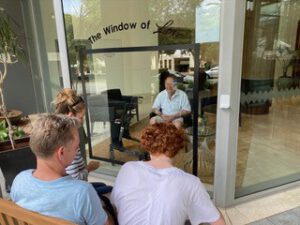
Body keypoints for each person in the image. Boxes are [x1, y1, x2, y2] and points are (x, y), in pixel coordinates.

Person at [111, 123, 225, 225]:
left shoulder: (127, 168)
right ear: (177, 149)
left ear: (147, 146)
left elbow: (116, 207)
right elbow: (219, 222)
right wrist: (208, 203)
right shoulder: (190, 182)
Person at [11, 114, 110, 225]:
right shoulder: (82, 192)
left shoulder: (20, 181)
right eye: (76, 147)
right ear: (61, 153)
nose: (77, 150)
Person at [53, 88, 112, 195]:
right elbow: (75, 179)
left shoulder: (61, 134)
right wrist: (89, 168)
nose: (83, 120)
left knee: (103, 186)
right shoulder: (68, 142)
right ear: (70, 116)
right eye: (81, 117)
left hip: (75, 187)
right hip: (74, 192)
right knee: (110, 190)